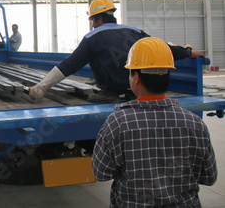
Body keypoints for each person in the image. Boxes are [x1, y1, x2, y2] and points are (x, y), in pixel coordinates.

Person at [92, 37, 217, 207]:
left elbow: (101, 173)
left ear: (135, 78)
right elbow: (209, 176)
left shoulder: (118, 123)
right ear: (168, 75)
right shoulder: (195, 123)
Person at [29, 0, 204, 102]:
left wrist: (41, 87)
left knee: (92, 94)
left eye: (92, 21)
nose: (92, 25)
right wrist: (188, 53)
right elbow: (162, 49)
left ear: (96, 20)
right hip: (139, 90)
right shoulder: (134, 32)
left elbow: (69, 65)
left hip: (111, 93)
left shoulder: (92, 37)